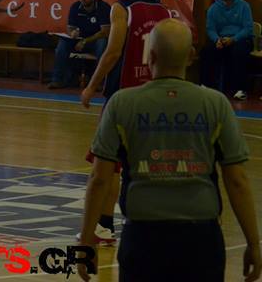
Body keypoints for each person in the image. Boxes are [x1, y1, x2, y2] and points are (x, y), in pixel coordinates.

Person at [78, 19, 260, 282]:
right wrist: (253, 243)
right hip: (201, 239)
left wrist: (86, 242)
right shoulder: (216, 104)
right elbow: (238, 181)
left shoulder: (121, 104)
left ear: (150, 56)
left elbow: (99, 179)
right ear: (191, 56)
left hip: (142, 238)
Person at [79, 0, 170, 245]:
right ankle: (136, 224)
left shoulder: (121, 9)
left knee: (107, 165)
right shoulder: (165, 12)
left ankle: (103, 225)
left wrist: (91, 86)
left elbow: (113, 52)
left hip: (123, 97)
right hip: (154, 97)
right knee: (142, 165)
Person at [200, 0, 253, 100]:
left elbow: (248, 28)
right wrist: (216, 40)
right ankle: (206, 86)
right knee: (207, 51)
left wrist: (234, 39)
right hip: (222, 40)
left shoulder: (244, 6)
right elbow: (210, 29)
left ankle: (241, 89)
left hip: (240, 39)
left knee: (239, 52)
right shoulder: (214, 8)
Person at [49, 0, 110, 89]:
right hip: (79, 41)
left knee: (102, 43)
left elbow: (105, 32)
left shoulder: (103, 7)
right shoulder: (75, 7)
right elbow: (70, 28)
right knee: (62, 44)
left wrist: (85, 41)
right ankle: (57, 80)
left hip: (95, 40)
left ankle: (99, 82)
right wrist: (72, 33)